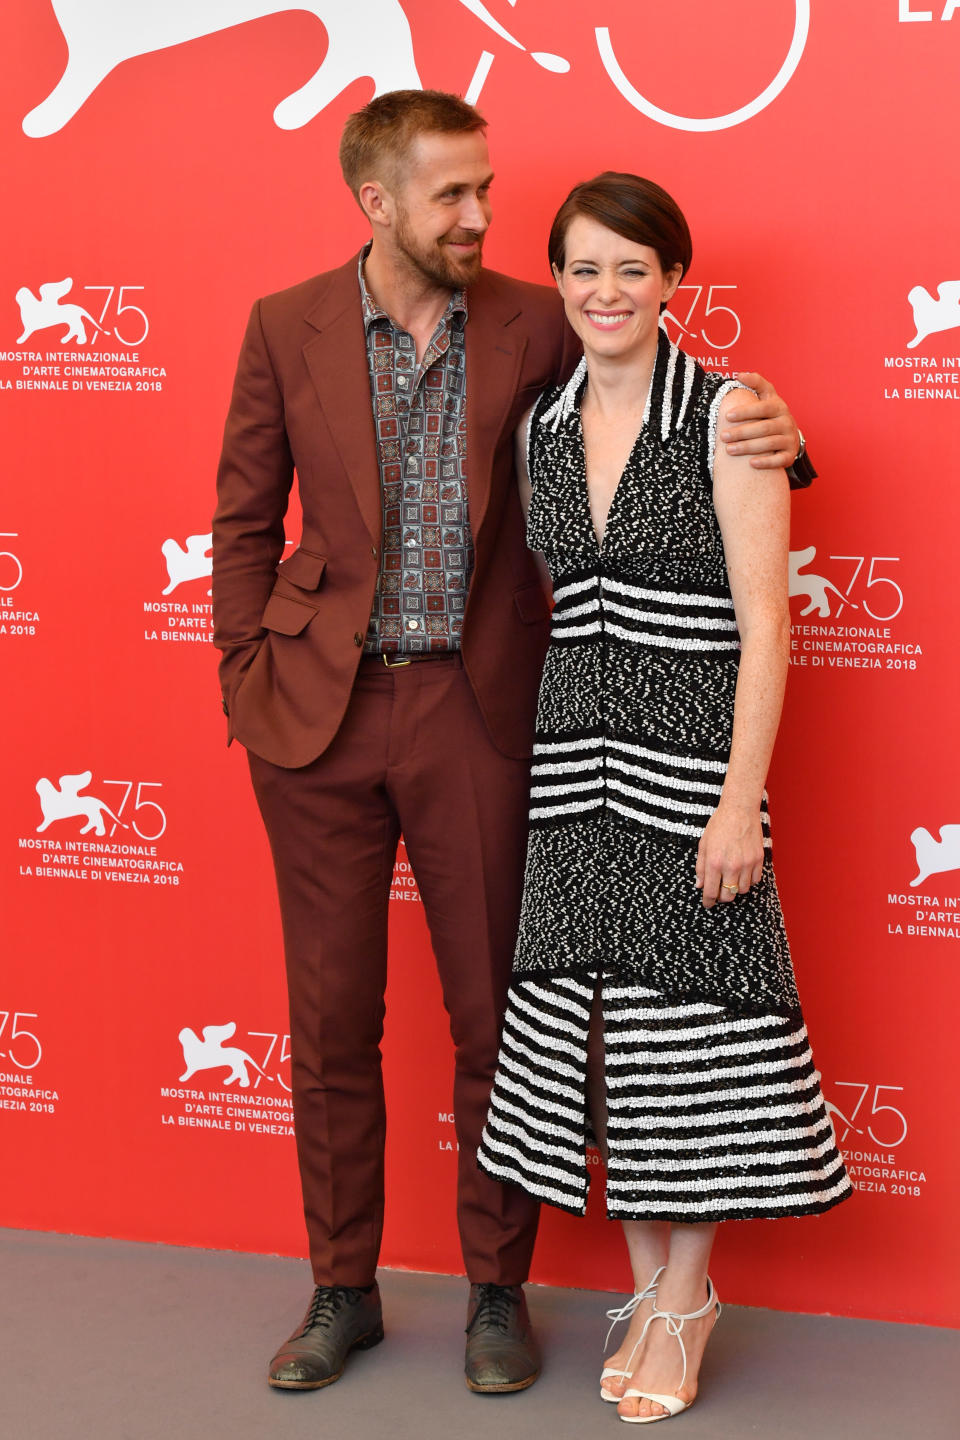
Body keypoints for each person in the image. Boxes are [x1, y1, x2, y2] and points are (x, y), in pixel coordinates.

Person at [211, 91, 804, 1397]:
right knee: (327, 1022)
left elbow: (658, 390)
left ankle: (496, 1293)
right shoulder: (284, 325)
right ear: (377, 203)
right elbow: (243, 516)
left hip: (480, 715)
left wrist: (779, 434)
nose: (483, 214)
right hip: (315, 715)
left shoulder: (535, 318)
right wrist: (243, 674)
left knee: (500, 1019)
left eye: (487, 189)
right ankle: (342, 1290)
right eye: (454, 196)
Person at [477, 171, 851, 1423]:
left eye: (632, 267)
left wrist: (740, 799)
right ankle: (650, 1291)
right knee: (611, 1044)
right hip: (572, 768)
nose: (606, 291)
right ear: (560, 280)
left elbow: (764, 625)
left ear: (673, 280)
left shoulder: (732, 413)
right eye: (584, 268)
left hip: (690, 770)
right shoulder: (539, 423)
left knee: (693, 1042)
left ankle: (690, 1300)